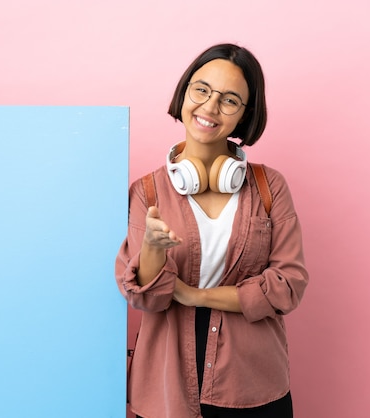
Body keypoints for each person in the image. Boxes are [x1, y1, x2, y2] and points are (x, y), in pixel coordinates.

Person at [115, 43, 309, 418]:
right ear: (185, 91)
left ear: (245, 115)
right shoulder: (146, 192)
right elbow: (146, 298)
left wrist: (194, 296)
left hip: (253, 386)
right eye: (201, 89)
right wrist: (153, 248)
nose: (209, 107)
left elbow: (288, 285)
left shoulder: (269, 187)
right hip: (167, 388)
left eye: (230, 99)